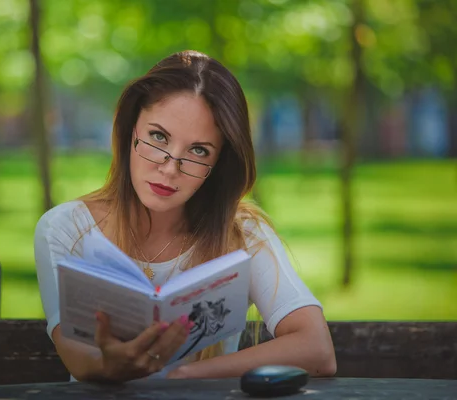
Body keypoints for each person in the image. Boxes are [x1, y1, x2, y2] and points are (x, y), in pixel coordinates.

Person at [34, 50, 336, 383]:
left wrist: (183, 374)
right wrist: (108, 365)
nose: (169, 168)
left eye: (198, 151)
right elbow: (77, 356)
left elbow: (317, 350)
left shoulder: (244, 234)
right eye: (158, 137)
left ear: (219, 163)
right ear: (130, 129)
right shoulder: (66, 229)